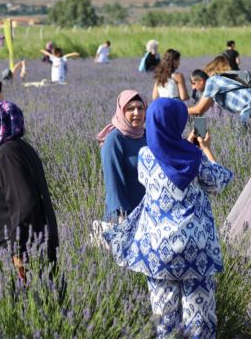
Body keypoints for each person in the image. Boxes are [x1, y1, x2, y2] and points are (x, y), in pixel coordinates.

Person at [104, 98, 233, 339]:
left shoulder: (144, 157)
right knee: (200, 319)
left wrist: (184, 147)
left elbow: (160, 162)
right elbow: (221, 181)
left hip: (158, 251)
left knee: (165, 320)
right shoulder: (195, 158)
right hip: (197, 249)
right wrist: (204, 148)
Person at [0, 99, 59, 281]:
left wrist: (19, 253)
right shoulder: (15, 149)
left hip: (14, 260)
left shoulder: (8, 154)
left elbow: (25, 205)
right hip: (16, 253)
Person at [96, 90, 148, 222]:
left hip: (148, 212)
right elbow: (113, 180)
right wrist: (121, 214)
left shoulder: (147, 135)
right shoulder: (115, 139)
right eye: (130, 109)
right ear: (122, 111)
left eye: (140, 108)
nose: (137, 113)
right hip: (125, 214)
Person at [188, 56, 251, 125]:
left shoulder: (211, 82)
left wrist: (179, 109)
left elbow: (199, 109)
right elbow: (202, 112)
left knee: (240, 135)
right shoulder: (215, 85)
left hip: (250, 106)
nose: (193, 88)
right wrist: (199, 134)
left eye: (193, 83)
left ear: (201, 81)